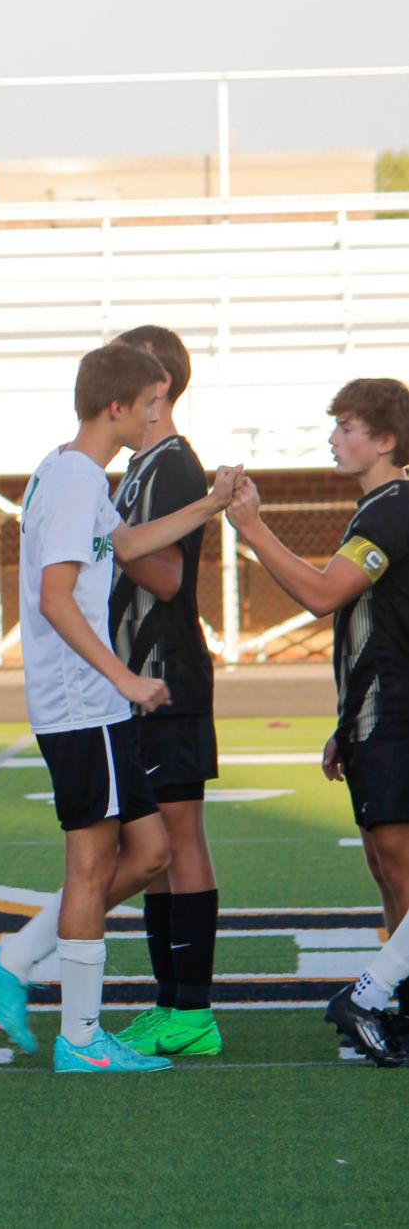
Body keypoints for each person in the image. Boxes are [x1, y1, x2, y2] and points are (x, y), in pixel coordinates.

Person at [0, 342, 237, 1074]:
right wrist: (124, 677)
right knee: (90, 865)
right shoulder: (69, 477)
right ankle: (79, 1037)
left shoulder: (83, 474)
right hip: (79, 704)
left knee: (148, 853)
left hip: (97, 705)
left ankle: (14, 956)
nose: (158, 412)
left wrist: (210, 504)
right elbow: (54, 600)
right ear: (116, 406)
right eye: (149, 400)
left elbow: (125, 546)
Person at [224, 377, 409, 1067]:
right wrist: (344, 723)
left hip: (392, 717)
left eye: (347, 426)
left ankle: (369, 996)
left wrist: (251, 527)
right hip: (373, 717)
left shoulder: (389, 511)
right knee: (388, 871)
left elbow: (321, 595)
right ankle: (386, 1005)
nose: (333, 437)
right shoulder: (376, 510)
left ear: (385, 440)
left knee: (400, 871)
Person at [105, 327, 224, 1059]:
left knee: (177, 840)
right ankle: (167, 1001)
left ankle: (194, 1008)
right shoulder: (141, 464)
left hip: (167, 676)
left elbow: (170, 576)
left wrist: (106, 529)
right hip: (143, 682)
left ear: (153, 386)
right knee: (149, 842)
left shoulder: (173, 465)